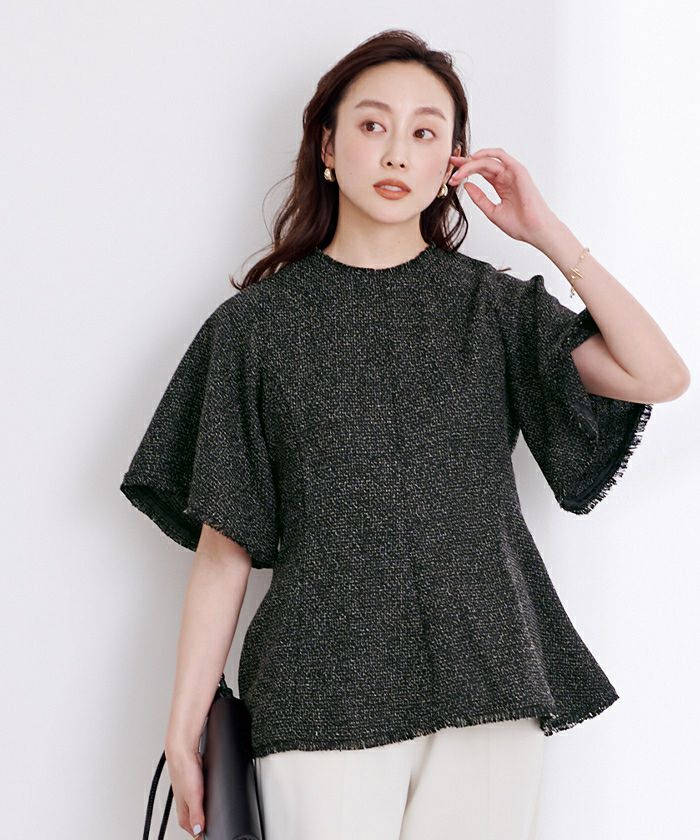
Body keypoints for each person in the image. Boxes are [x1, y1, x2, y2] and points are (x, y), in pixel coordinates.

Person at [119, 29, 690, 840]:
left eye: (425, 132)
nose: (396, 152)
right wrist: (184, 726)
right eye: (372, 125)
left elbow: (657, 374)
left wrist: (547, 233)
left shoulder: (491, 308)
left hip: (490, 680)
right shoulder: (255, 329)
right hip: (321, 691)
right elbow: (225, 546)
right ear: (328, 147)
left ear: (450, 162)